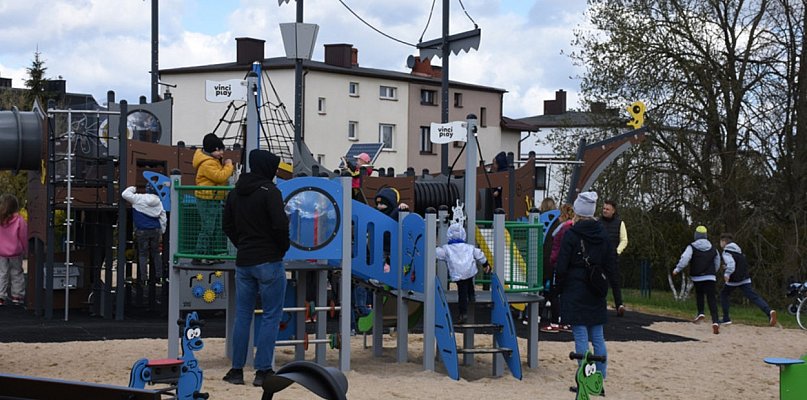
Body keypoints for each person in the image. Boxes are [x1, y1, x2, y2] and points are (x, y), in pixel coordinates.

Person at [221, 149, 290, 387]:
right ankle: (263, 371)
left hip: (244, 260)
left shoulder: (235, 193)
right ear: (268, 168)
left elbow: (227, 225)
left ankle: (236, 370)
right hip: (269, 259)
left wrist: (242, 244)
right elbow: (280, 225)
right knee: (271, 315)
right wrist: (281, 248)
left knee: (243, 315)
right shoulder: (271, 192)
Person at [556, 191, 614, 381]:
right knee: (597, 336)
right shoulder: (603, 234)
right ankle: (600, 377)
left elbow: (561, 266)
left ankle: (585, 377)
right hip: (596, 287)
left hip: (575, 287)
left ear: (577, 211)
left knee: (581, 335)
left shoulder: (571, 234)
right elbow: (610, 263)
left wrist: (559, 288)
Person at [436, 222, 492, 323]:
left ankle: (463, 313)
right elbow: (479, 254)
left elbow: (437, 253)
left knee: (462, 293)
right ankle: (472, 296)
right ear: (463, 235)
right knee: (469, 282)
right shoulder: (469, 247)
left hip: (458, 273)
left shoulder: (446, 249)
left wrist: (430, 247)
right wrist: (485, 264)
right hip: (469, 271)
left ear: (449, 235)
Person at [719, 233, 777, 327]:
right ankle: (769, 312)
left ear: (724, 242)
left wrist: (727, 273)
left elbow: (732, 265)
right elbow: (738, 263)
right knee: (754, 297)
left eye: (721, 242)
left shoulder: (726, 252)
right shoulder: (738, 251)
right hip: (745, 278)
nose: (720, 244)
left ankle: (726, 318)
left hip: (734, 280)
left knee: (724, 295)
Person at [192, 133, 234, 265]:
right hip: (207, 199)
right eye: (218, 150)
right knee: (208, 228)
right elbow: (220, 177)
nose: (221, 153)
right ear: (211, 150)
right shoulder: (207, 163)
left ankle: (210, 254)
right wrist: (229, 165)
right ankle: (199, 255)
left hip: (213, 198)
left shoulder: (212, 161)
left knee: (215, 228)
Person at [672, 226, 721, 334]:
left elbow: (685, 258)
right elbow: (717, 261)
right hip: (710, 277)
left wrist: (677, 269)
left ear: (696, 235)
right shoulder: (714, 248)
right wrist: (713, 272)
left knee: (699, 294)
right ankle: (715, 321)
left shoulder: (692, 247)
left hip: (697, 276)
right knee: (711, 299)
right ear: (706, 236)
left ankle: (701, 312)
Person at [121, 184, 167, 284]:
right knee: (156, 253)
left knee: (143, 254)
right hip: (155, 230)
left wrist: (133, 188)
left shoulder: (138, 198)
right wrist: (162, 232)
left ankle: (143, 278)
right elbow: (163, 218)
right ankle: (159, 276)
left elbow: (124, 194)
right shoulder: (159, 201)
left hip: (142, 230)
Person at [542, 203, 575, 333]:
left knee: (554, 293)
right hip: (570, 265)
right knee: (566, 294)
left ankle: (555, 322)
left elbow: (556, 248)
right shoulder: (573, 228)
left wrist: (553, 261)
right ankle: (566, 322)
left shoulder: (562, 229)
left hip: (559, 264)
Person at [600, 199, 627, 316]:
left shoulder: (620, 223)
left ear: (613, 211)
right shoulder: (598, 222)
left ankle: (619, 305)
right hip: (599, 257)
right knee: (600, 282)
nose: (605, 211)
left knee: (615, 282)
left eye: (607, 209)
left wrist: (617, 251)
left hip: (612, 257)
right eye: (604, 208)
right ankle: (600, 305)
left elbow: (624, 240)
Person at [0, 194, 27, 306]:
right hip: (15, 252)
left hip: (1, 252)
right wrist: (26, 249)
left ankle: (1, 295)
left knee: (2, 273)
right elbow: (23, 236)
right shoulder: (19, 220)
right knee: (17, 273)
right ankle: (17, 296)